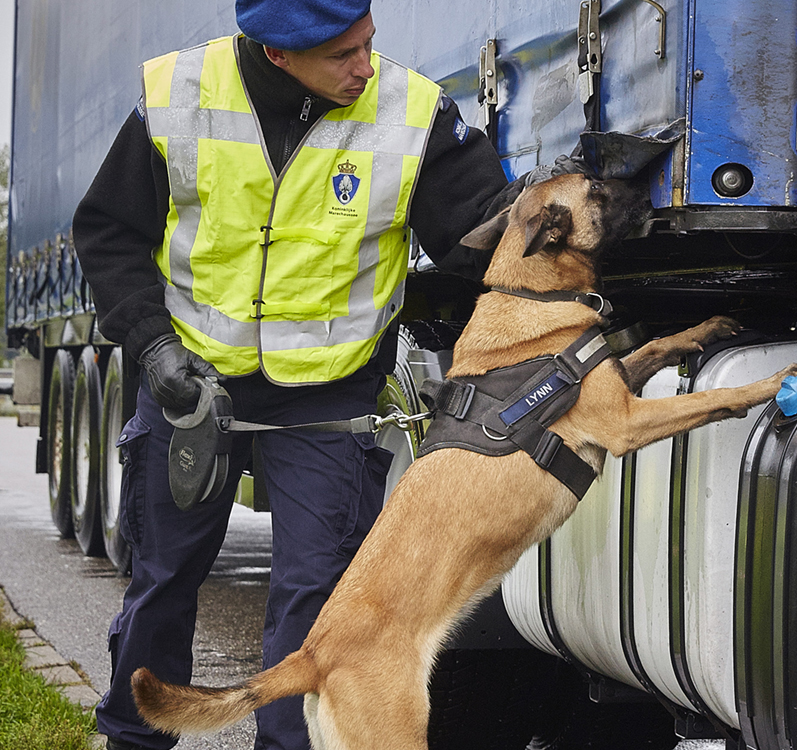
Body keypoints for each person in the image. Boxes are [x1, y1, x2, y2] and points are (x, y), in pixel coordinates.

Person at [72, 0, 506, 746]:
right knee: (163, 582)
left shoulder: (415, 113)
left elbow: (476, 237)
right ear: (276, 53)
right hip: (189, 386)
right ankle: (132, 740)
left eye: (369, 43)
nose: (364, 67)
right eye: (343, 54)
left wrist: (543, 204)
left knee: (316, 597)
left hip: (328, 398)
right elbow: (109, 232)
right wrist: (154, 348)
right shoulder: (179, 94)